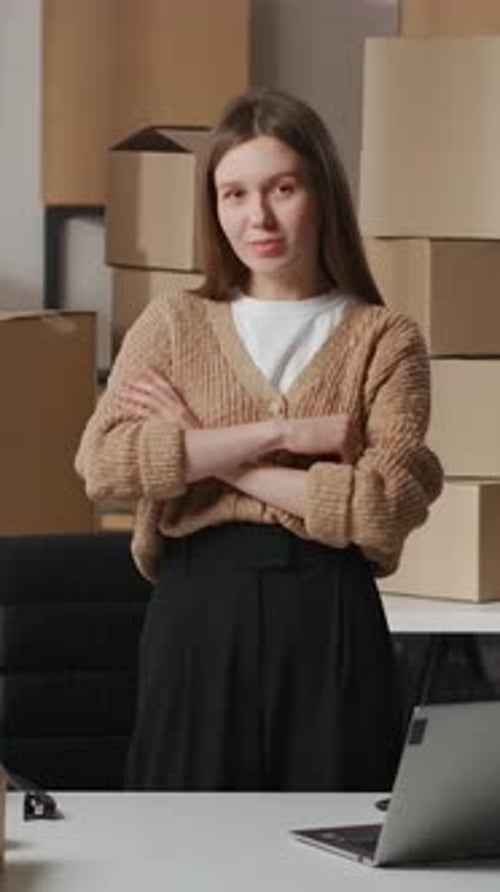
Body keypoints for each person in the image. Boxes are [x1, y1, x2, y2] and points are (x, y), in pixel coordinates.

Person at [75, 87, 443, 793]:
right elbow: (104, 465)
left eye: (282, 188)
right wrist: (282, 434)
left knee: (336, 841)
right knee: (185, 844)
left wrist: (208, 450)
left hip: (330, 617)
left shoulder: (385, 340)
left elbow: (379, 507)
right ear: (213, 208)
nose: (258, 217)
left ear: (322, 193)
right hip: (196, 613)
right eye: (233, 194)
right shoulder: (173, 325)